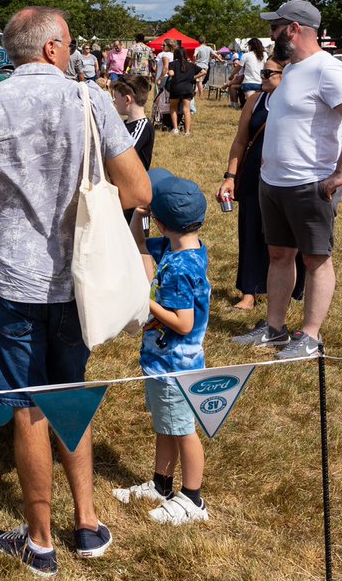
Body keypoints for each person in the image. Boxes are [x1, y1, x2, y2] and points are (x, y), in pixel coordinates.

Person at [0, 6, 151, 576]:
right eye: (70, 42)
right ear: (53, 48)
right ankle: (87, 524)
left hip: (12, 279)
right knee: (70, 393)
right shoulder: (88, 99)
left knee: (28, 408)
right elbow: (139, 191)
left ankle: (39, 542)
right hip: (79, 280)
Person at [236, 0, 342, 359]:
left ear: (294, 29)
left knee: (316, 259)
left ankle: (309, 337)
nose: (270, 34)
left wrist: (339, 174)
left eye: (275, 27)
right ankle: (275, 329)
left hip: (311, 183)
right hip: (274, 183)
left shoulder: (327, 70)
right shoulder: (293, 69)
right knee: (279, 254)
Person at [114, 169, 211, 525]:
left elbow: (183, 323)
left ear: (162, 222)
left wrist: (146, 301)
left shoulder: (180, 269)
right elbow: (138, 246)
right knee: (166, 425)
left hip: (175, 367)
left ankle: (193, 499)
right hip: (163, 363)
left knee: (183, 431)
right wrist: (140, 215)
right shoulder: (181, 249)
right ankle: (161, 484)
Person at [217, 58, 304, 311]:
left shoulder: (299, 102)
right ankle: (250, 291)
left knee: (291, 236)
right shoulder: (255, 100)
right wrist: (230, 176)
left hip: (289, 178)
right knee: (251, 231)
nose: (262, 76)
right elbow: (240, 141)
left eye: (268, 72)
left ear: (286, 74)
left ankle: (294, 288)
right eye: (262, 71)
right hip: (254, 176)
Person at [111, 75, 154, 170]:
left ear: (127, 99)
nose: (114, 101)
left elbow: (123, 155)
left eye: (116, 98)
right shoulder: (125, 123)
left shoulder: (143, 127)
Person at [165, 46, 203, 135]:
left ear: (175, 55)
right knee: (186, 110)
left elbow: (171, 73)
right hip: (187, 88)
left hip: (176, 88)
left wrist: (169, 72)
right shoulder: (191, 65)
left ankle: (175, 129)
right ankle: (187, 131)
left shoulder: (172, 64)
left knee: (173, 108)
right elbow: (204, 71)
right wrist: (193, 77)